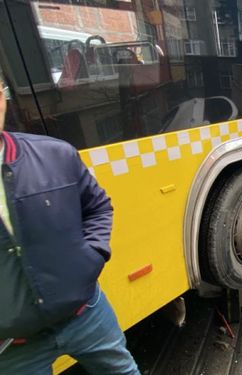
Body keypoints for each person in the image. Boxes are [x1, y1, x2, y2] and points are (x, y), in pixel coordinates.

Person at [0, 77, 139, 374]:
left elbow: (98, 206)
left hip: (86, 313)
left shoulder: (56, 154)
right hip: (12, 346)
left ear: (3, 96)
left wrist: (89, 260)